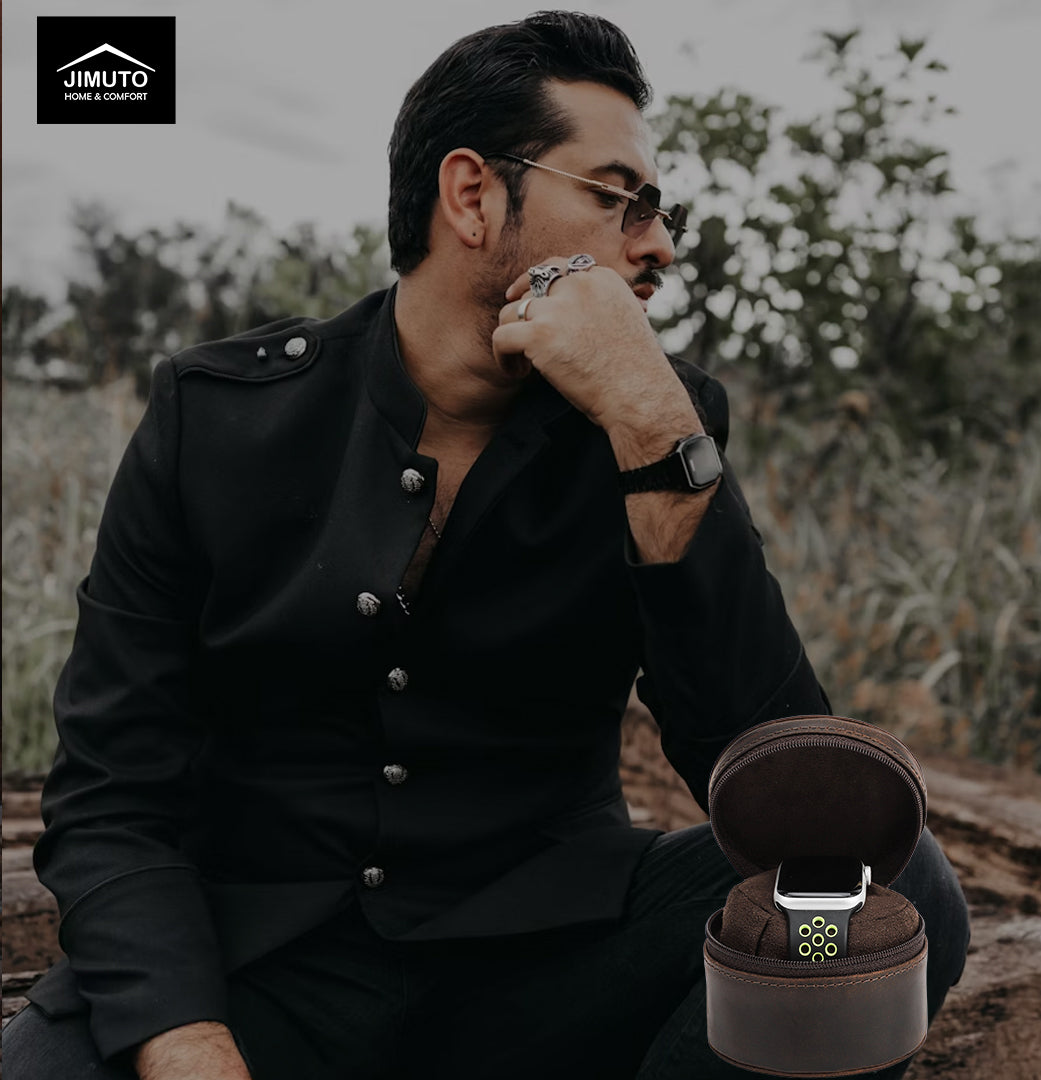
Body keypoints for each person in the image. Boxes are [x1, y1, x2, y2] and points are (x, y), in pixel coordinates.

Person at [4, 12, 970, 1080]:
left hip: (548, 969)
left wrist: (656, 432)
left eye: (660, 210)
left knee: (875, 893)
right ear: (473, 195)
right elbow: (110, 792)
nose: (658, 243)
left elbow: (788, 790)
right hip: (259, 975)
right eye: (618, 198)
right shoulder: (217, 416)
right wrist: (183, 1039)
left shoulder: (649, 420)